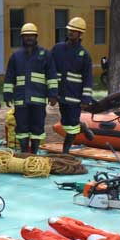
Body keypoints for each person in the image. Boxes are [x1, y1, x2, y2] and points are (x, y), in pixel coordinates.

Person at [3, 23, 58, 154]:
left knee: (37, 128)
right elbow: (9, 76)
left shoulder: (45, 54)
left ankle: (33, 153)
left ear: (36, 37)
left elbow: (51, 75)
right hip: (21, 99)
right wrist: (7, 94)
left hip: (38, 99)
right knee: (21, 127)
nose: (29, 38)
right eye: (26, 36)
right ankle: (24, 153)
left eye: (31, 35)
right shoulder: (16, 56)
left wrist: (53, 94)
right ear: (22, 37)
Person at [51, 17, 95, 153]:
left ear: (80, 34)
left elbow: (88, 78)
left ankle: (66, 151)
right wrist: (51, 93)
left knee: (72, 125)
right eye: (70, 30)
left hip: (75, 96)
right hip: (61, 94)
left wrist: (86, 99)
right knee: (65, 123)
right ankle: (82, 127)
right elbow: (50, 70)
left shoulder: (84, 55)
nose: (71, 32)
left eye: (75, 31)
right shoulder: (57, 49)